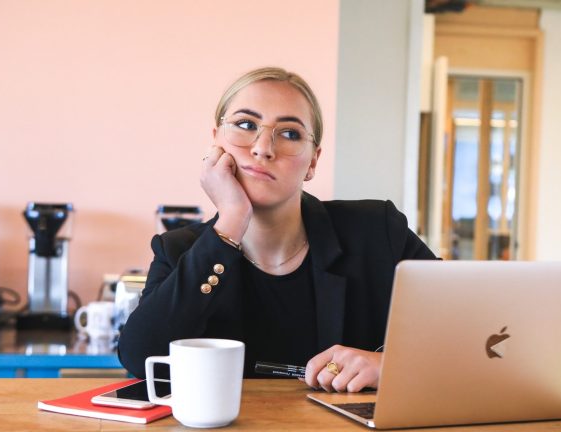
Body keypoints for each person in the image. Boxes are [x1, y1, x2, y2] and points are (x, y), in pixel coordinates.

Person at [118, 67, 437, 393]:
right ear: (215, 142)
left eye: (289, 133)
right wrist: (230, 221)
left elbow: (472, 331)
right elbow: (141, 358)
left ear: (313, 161)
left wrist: (391, 365)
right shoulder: (179, 250)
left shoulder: (377, 231)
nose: (263, 148)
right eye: (245, 125)